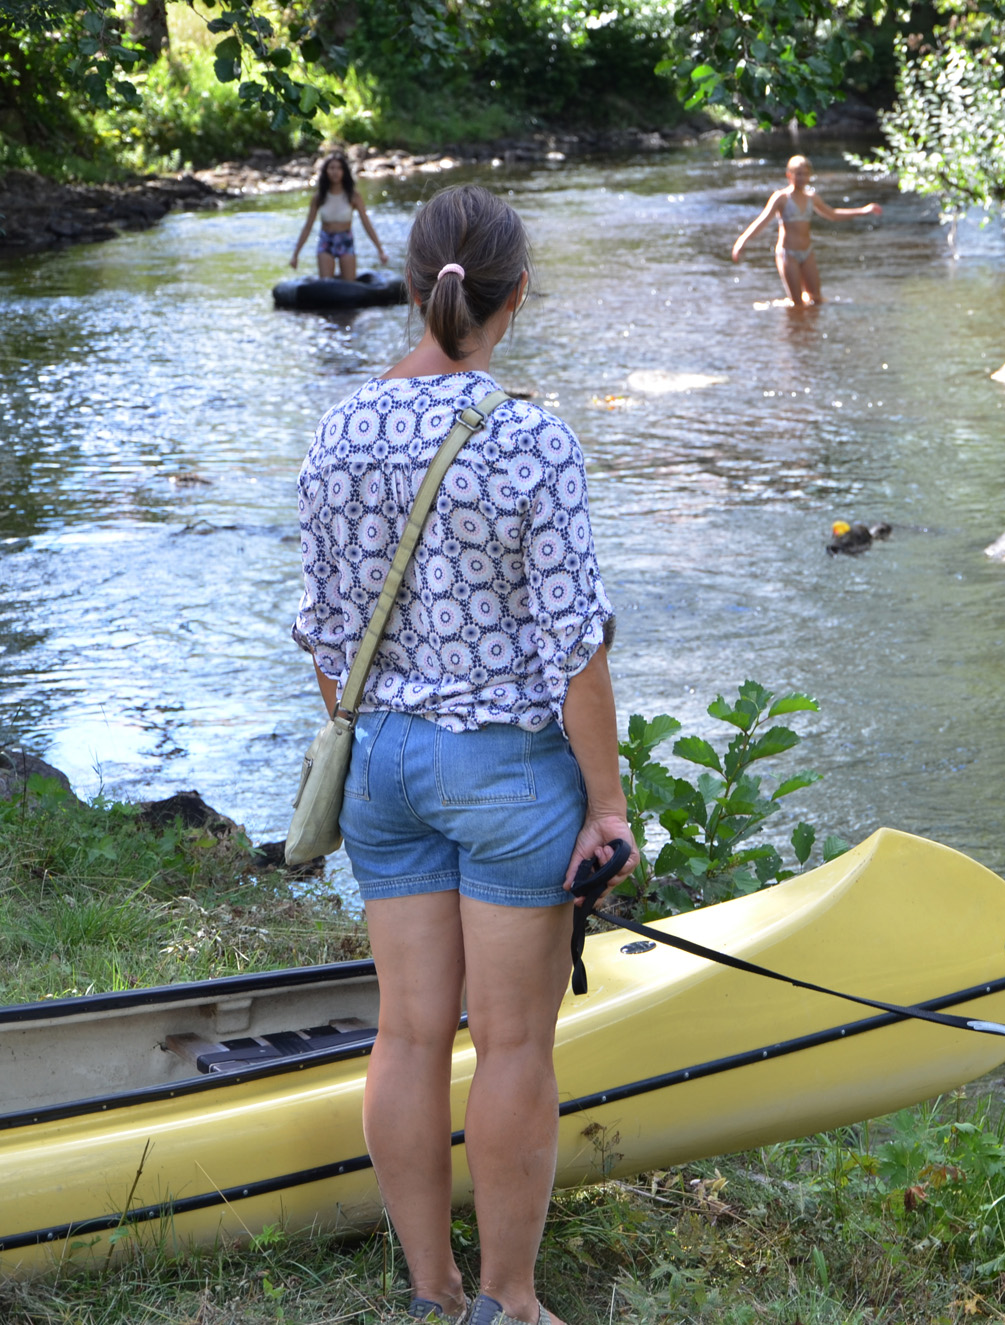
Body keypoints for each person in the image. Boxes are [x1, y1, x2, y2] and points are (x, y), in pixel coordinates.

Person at [291, 184, 633, 1325]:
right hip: (504, 771)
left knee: (406, 1033)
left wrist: (374, 731)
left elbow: (324, 632)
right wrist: (607, 807)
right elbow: (575, 648)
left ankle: (433, 1290)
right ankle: (510, 1301)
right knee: (515, 1042)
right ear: (516, 293)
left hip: (381, 765)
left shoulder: (339, 429)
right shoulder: (533, 436)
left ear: (407, 283)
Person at [730, 155, 883, 308]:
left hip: (807, 252)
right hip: (788, 254)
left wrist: (863, 211)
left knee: (816, 300)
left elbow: (833, 214)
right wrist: (742, 241)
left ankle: (802, 320)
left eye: (805, 174)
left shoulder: (812, 197)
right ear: (789, 175)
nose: (802, 178)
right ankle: (788, 316)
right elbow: (762, 220)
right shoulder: (781, 198)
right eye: (798, 174)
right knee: (797, 304)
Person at [290, 151, 390, 280]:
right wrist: (295, 254)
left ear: (344, 172)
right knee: (326, 284)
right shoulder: (319, 197)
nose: (335, 172)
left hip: (345, 239)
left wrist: (380, 250)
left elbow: (366, 223)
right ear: (326, 171)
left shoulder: (353, 196)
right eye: (331, 168)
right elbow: (308, 226)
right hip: (326, 240)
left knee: (349, 283)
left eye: (339, 168)